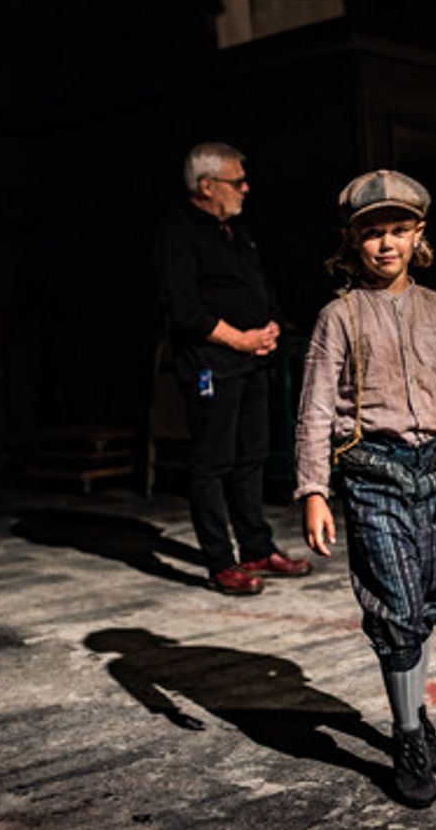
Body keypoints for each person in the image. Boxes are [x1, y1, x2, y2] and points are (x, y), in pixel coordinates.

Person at [295, 169, 436, 808]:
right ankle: (407, 733)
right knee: (397, 607)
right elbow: (316, 407)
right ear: (352, 242)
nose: (386, 244)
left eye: (398, 230)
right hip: (372, 472)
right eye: (372, 234)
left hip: (435, 472)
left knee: (432, 595)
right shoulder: (340, 316)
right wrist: (314, 489)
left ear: (419, 234)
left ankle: (411, 701)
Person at [155, 141, 312, 596]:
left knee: (252, 458)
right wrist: (240, 338)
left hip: (251, 362)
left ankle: (257, 548)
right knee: (212, 463)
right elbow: (184, 309)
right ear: (206, 185)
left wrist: (271, 327)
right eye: (236, 181)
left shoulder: (236, 232)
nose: (246, 188)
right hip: (212, 365)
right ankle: (220, 562)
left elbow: (258, 289)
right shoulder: (179, 234)